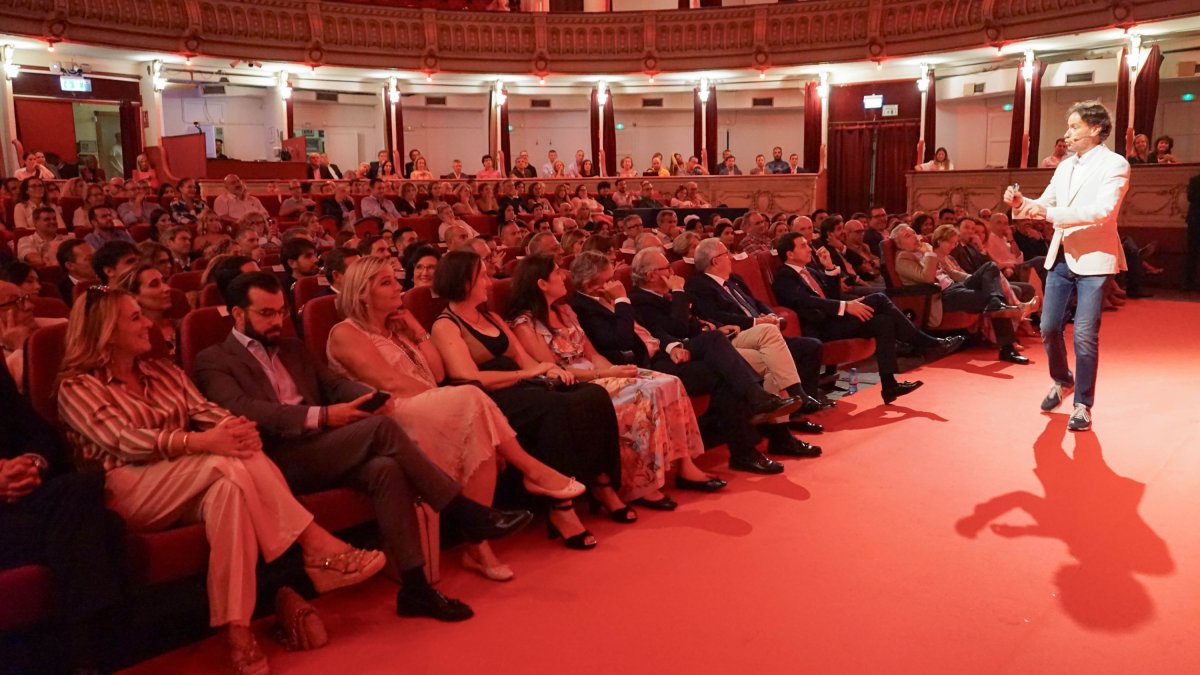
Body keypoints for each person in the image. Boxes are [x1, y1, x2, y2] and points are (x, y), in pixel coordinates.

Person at [57, 286, 387, 674]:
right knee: (224, 462)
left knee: (230, 489)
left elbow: (204, 409)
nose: (148, 322)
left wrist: (234, 427)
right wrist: (200, 440)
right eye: (135, 318)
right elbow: (122, 441)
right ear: (105, 331)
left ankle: (237, 632)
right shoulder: (76, 386)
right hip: (124, 489)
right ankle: (315, 545)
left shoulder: (162, 372)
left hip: (190, 477)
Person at [194, 272, 532, 621]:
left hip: (323, 446)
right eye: (266, 313)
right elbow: (247, 410)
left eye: (280, 312)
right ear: (237, 314)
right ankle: (461, 509)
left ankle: (416, 589)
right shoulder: (214, 359)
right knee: (382, 429)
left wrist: (372, 398)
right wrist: (323, 416)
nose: (277, 321)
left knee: (386, 469)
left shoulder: (292, 348)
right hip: (274, 458)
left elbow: (335, 384)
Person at [327, 256, 585, 578]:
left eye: (395, 279)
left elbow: (436, 373)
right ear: (361, 293)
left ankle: (478, 547)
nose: (398, 287)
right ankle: (530, 472)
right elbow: (390, 383)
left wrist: (418, 332)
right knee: (471, 398)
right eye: (386, 282)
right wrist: (441, 397)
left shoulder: (397, 329)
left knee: (479, 433)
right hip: (388, 417)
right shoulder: (345, 333)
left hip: (426, 406)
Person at [430, 250, 629, 548]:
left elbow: (524, 361)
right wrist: (529, 375)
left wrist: (546, 369)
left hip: (523, 385)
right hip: (491, 397)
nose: (488, 282)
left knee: (594, 395)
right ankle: (559, 508)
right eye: (481, 276)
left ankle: (601, 482)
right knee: (555, 408)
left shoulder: (492, 316)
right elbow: (469, 377)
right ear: (463, 282)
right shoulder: (446, 325)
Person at [507, 254, 722, 510]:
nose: (564, 275)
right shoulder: (524, 323)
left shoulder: (564, 310)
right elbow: (554, 370)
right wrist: (608, 376)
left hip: (597, 372)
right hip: (574, 383)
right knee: (642, 395)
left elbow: (592, 353)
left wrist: (615, 370)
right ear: (541, 283)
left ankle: (685, 465)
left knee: (670, 382)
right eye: (556, 272)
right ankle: (642, 483)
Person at [1005, 100, 1131, 431]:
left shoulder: (1115, 164)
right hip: (1061, 256)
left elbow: (1102, 211)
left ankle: (1082, 405)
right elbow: (1044, 203)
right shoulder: (1064, 166)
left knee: (1086, 335)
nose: (1067, 133)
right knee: (1047, 327)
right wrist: (1021, 204)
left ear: (1096, 129)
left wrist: (1050, 214)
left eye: (1074, 127)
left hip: (1094, 259)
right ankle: (1063, 380)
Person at [1, 360, 126, 673]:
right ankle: (99, 658)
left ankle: (84, 659)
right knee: (103, 527)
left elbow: (40, 433)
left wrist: (32, 463)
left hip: (19, 502)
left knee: (85, 490)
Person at [773, 232, 966, 402]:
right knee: (880, 298)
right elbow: (804, 301)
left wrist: (830, 268)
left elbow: (833, 297)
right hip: (819, 327)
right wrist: (845, 306)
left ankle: (890, 385)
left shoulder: (812, 271)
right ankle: (925, 342)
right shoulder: (784, 276)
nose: (810, 248)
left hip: (834, 320)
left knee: (883, 322)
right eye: (803, 245)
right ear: (790, 254)